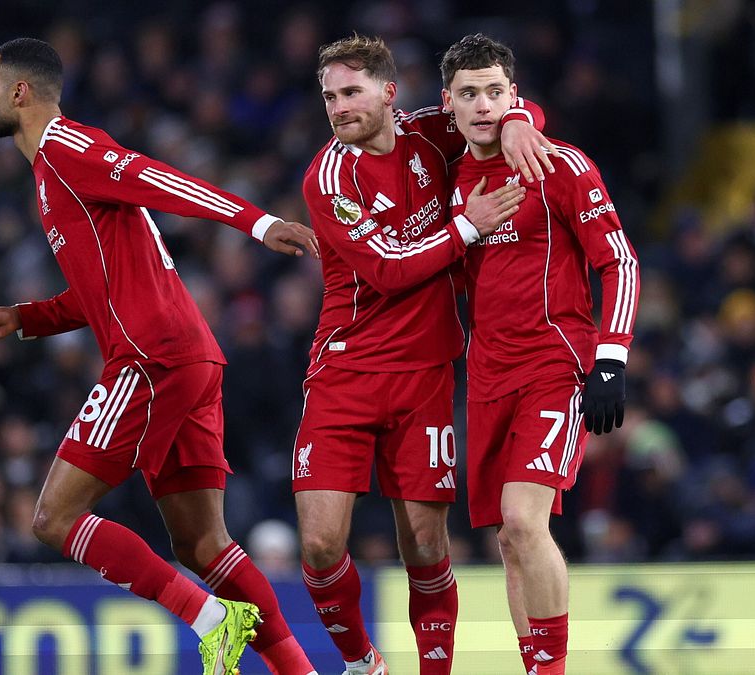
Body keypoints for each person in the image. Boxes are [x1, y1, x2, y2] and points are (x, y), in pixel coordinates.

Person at [0, 38, 318, 675]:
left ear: (19, 91)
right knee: (203, 543)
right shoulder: (50, 174)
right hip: (188, 357)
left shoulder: (68, 148)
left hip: (151, 359)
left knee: (53, 517)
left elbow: (157, 178)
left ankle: (210, 619)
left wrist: (259, 224)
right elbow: (98, 292)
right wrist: (23, 318)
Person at [296, 34, 557, 675]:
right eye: (329, 96)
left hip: (426, 375)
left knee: (425, 543)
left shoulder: (431, 136)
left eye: (351, 92)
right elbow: (387, 270)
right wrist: (467, 225)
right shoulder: (329, 177)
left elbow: (490, 108)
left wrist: (521, 121)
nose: (338, 107)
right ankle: (362, 662)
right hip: (346, 370)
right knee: (320, 543)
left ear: (389, 92)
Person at [441, 34, 640, 674]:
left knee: (524, 521)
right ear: (447, 102)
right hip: (487, 373)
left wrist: (610, 358)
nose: (483, 106)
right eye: (469, 93)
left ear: (514, 95)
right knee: (508, 538)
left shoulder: (558, 165)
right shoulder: (448, 179)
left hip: (555, 363)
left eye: (496, 93)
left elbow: (620, 262)